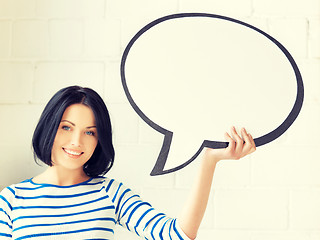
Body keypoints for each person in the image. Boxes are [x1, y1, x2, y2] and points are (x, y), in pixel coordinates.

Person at [0, 86, 256, 240]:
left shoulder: (109, 193)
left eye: (90, 132)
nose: (77, 141)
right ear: (48, 128)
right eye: (66, 127)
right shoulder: (12, 199)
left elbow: (177, 235)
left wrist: (209, 161)